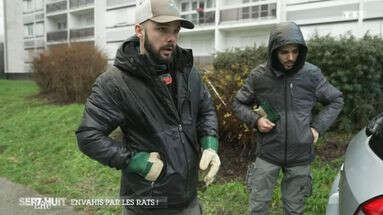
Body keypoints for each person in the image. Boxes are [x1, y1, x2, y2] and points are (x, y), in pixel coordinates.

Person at [75, 0, 220, 214]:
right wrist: (133, 160)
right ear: (139, 30)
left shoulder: (187, 72)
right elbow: (88, 136)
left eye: (175, 31)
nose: (171, 38)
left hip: (188, 200)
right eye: (161, 29)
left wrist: (209, 142)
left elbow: (205, 109)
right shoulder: (115, 82)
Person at [232, 22, 344, 215]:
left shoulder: (311, 74)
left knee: (294, 209)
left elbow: (336, 99)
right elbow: (238, 103)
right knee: (258, 207)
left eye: (295, 51)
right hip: (268, 153)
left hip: (300, 155)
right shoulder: (259, 76)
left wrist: (317, 127)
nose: (290, 57)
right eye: (284, 52)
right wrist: (256, 121)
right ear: (274, 51)